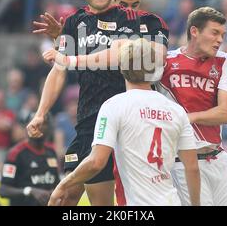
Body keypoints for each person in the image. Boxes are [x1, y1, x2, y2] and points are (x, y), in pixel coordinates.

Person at [27, 0, 168, 206]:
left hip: (128, 121)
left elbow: (136, 55)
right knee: (66, 199)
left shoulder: (135, 20)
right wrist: (40, 113)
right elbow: (58, 71)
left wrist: (70, 59)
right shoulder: (74, 22)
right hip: (88, 121)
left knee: (108, 202)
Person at [48, 38, 200, 206]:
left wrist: (64, 184)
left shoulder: (114, 106)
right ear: (155, 69)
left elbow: (96, 162)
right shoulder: (176, 111)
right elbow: (192, 167)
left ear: (122, 68)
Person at [157, 6, 227, 206]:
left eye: (223, 34)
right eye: (214, 33)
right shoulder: (165, 62)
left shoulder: (226, 61)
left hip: (218, 158)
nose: (220, 40)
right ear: (194, 31)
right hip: (182, 162)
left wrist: (188, 118)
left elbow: (225, 113)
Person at [0, 115, 59, 206]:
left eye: (44, 123)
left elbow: (56, 183)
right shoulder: (15, 153)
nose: (39, 126)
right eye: (35, 123)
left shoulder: (51, 152)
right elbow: (3, 190)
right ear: (27, 126)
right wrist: (29, 191)